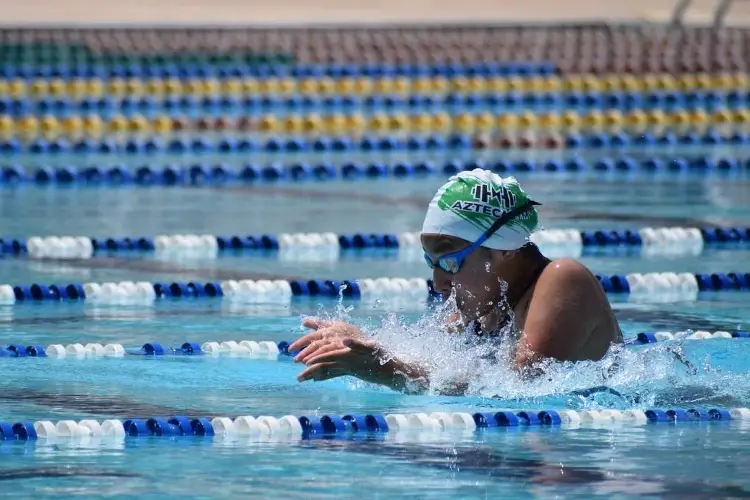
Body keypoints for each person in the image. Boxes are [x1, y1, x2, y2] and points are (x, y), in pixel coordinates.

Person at [290, 169, 623, 394]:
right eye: (431, 264)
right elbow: (437, 362)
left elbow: (515, 389)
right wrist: (367, 345)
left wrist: (388, 371)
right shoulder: (484, 307)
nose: (438, 283)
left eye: (450, 262)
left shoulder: (562, 280)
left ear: (503, 250)